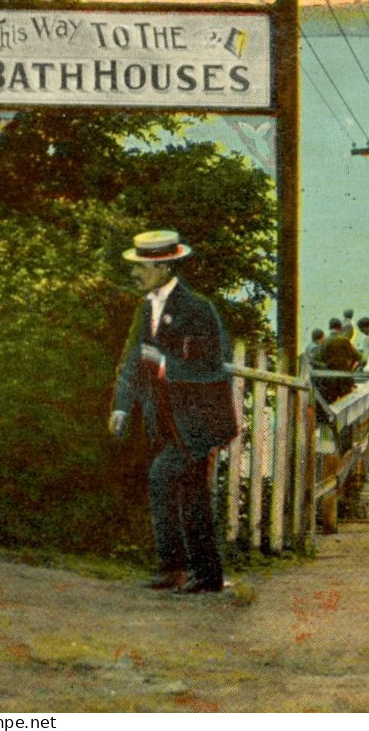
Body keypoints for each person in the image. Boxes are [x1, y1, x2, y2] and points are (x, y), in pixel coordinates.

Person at [108, 229, 235, 595]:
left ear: (165, 268)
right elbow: (130, 362)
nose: (136, 273)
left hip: (196, 420)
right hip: (162, 419)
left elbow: (215, 365)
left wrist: (167, 364)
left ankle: (184, 569)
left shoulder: (198, 309)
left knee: (165, 479)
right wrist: (120, 407)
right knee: (189, 492)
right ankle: (192, 573)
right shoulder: (145, 309)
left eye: (143, 267)